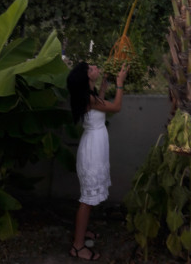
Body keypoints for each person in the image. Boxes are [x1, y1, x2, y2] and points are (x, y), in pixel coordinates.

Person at [66, 61, 128, 261]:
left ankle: (82, 232)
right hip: (92, 151)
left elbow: (98, 106)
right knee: (87, 199)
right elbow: (116, 107)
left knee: (89, 197)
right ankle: (77, 246)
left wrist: (103, 86)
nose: (94, 68)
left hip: (94, 147)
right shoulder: (88, 99)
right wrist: (120, 83)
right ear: (86, 78)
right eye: (90, 69)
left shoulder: (89, 96)